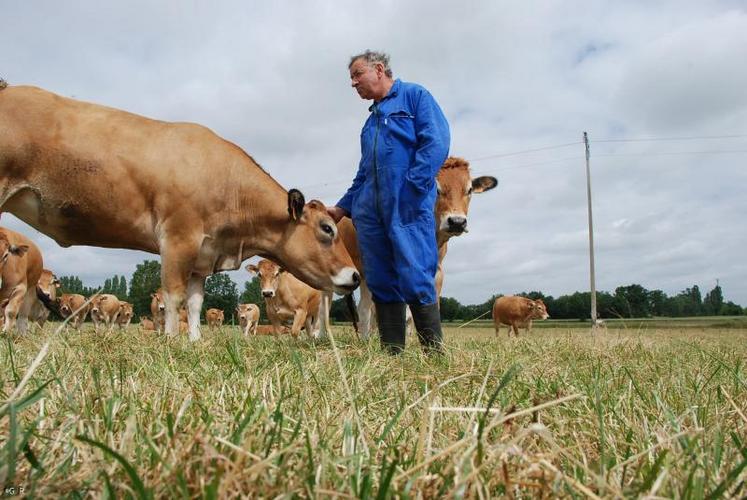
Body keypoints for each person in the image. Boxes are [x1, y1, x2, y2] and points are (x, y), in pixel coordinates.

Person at [327, 50, 450, 355]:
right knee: (380, 277)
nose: (353, 83)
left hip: (406, 205)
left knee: (416, 271)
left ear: (379, 69)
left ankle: (433, 353)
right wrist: (342, 208)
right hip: (369, 212)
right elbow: (363, 174)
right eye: (351, 79)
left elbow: (436, 142)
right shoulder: (369, 126)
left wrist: (413, 187)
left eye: (358, 75)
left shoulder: (414, 97)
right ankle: (392, 352)